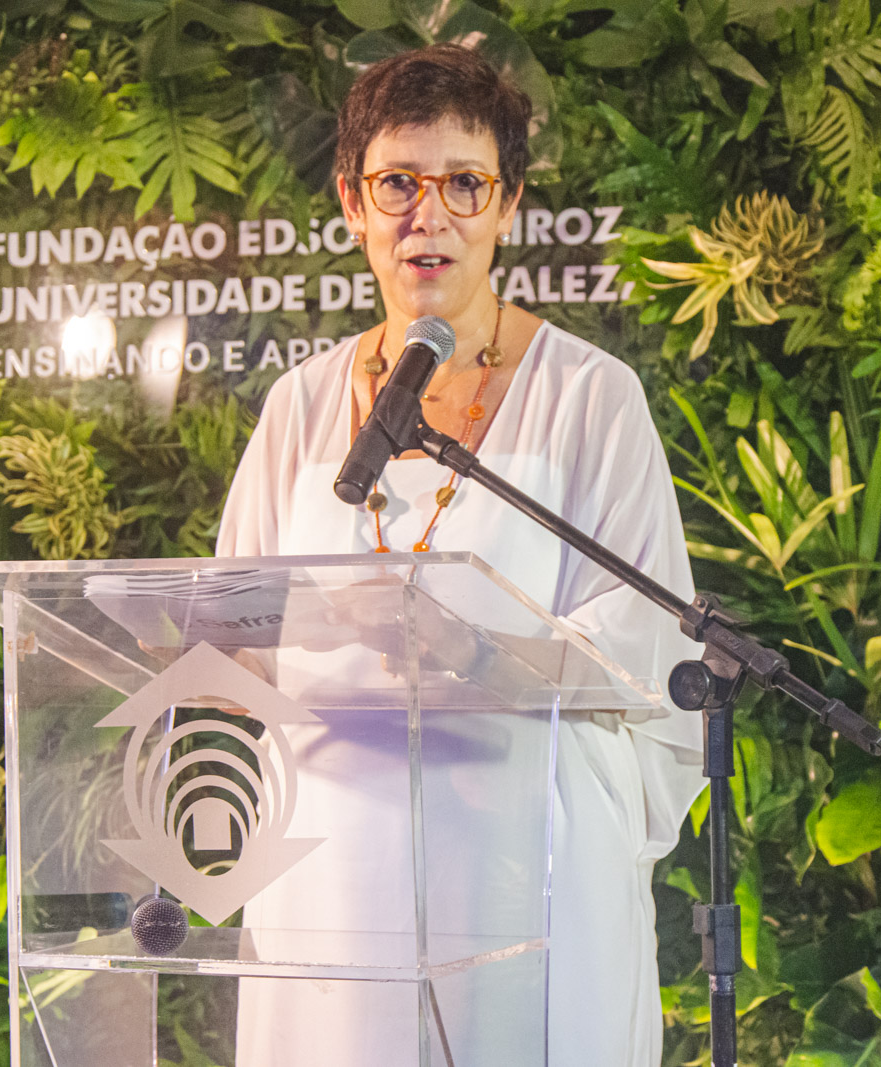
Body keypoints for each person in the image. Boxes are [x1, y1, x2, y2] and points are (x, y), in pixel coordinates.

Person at [216, 43, 705, 1067]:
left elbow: (645, 656)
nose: (427, 216)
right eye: (397, 182)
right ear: (352, 202)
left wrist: (472, 649)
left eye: (464, 184)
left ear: (508, 204)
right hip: (328, 882)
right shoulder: (298, 406)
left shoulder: (588, 397)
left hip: (526, 874)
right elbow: (233, 632)